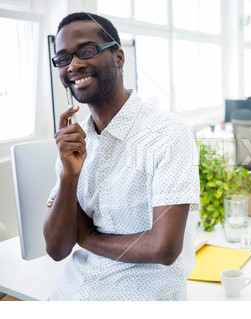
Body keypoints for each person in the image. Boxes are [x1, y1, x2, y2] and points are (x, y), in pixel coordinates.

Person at [44, 12, 200, 301]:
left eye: (86, 51)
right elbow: (57, 249)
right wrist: (69, 176)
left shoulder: (168, 134)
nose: (74, 65)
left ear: (118, 57)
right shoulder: (74, 141)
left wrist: (88, 236)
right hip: (69, 294)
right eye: (63, 58)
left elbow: (163, 248)